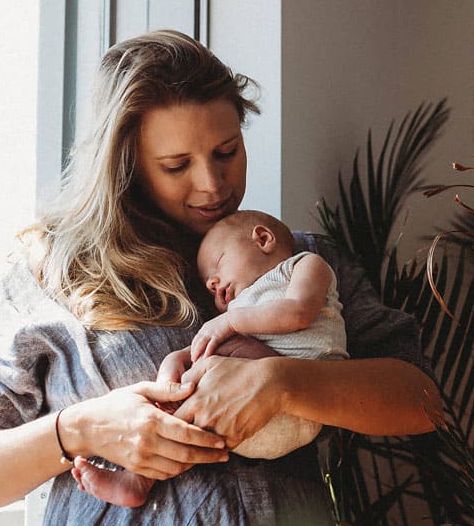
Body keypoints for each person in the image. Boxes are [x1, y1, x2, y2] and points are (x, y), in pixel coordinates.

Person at [0, 30, 440, 526]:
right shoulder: (54, 271)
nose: (211, 183)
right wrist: (79, 429)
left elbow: (421, 400)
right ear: (126, 163)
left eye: (227, 150)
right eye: (176, 164)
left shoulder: (297, 261)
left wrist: (285, 380)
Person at [72, 209, 349, 508]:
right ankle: (140, 477)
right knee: (195, 397)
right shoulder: (241, 311)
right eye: (209, 284)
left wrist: (229, 323)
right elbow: (223, 350)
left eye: (218, 265)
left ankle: (141, 471)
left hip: (307, 395)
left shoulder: (305, 265)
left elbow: (299, 312)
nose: (212, 284)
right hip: (246, 423)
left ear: (263, 238)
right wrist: (178, 360)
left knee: (218, 363)